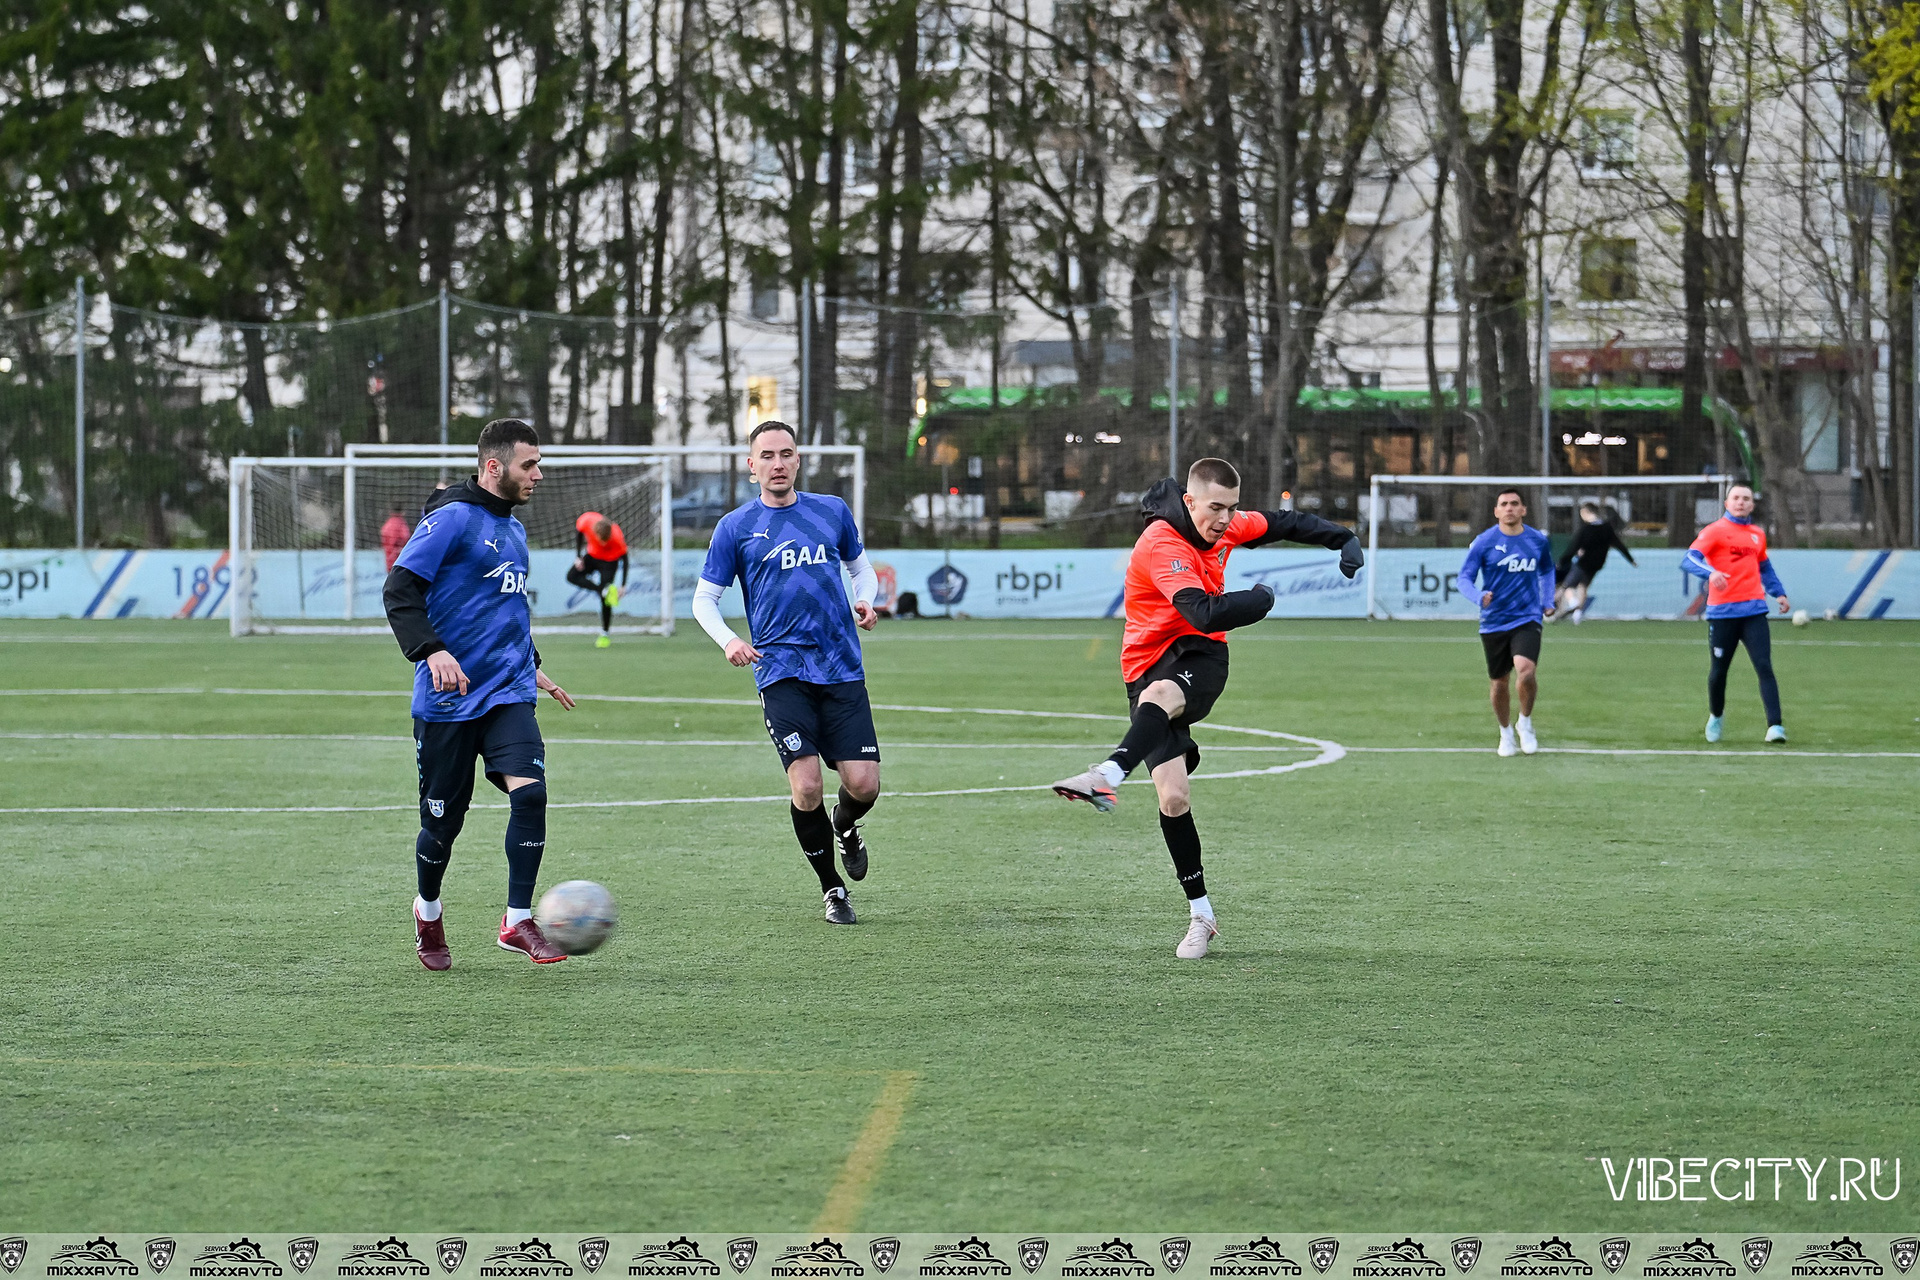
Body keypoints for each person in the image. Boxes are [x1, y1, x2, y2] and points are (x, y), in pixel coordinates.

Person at [1050, 458, 1364, 959]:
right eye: (1216, 508)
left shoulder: (1226, 523)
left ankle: (1106, 774)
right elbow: (1201, 609)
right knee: (1174, 798)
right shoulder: (1163, 543)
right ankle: (1202, 915)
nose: (1225, 519)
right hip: (1146, 666)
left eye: (1231, 508)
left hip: (1201, 657)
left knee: (1160, 697)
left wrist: (1341, 537)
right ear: (1189, 501)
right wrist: (1259, 600)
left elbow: (1281, 523)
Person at [383, 418, 579, 970]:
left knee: (531, 795)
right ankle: (427, 910)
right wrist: (431, 650)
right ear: (494, 466)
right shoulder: (451, 520)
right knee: (442, 826)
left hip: (507, 693)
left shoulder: (514, 529)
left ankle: (517, 920)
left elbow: (506, 610)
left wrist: (532, 666)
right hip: (448, 699)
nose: (538, 475)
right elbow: (400, 589)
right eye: (529, 465)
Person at [691, 420, 882, 925]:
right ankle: (832, 889)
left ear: (798, 460)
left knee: (864, 786)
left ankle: (846, 825)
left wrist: (865, 600)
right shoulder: (735, 526)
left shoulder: (831, 511)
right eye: (768, 455)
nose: (778, 463)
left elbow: (861, 569)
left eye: (787, 454)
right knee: (807, 787)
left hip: (840, 666)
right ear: (751, 466)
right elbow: (704, 599)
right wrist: (730, 640)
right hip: (779, 671)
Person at [1683, 482, 1790, 743]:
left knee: (1764, 666)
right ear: (1727, 503)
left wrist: (1779, 592)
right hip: (1722, 613)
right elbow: (1690, 559)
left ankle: (1775, 727)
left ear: (1752, 505)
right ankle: (1716, 715)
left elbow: (1764, 567)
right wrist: (1711, 573)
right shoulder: (1715, 531)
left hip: (1754, 611)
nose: (1741, 502)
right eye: (1736, 498)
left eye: (1746, 498)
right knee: (1719, 671)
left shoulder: (1757, 534)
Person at [1457, 489, 1556, 757]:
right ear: (1496, 511)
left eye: (1514, 503)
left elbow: (1547, 569)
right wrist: (1478, 596)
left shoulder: (1537, 540)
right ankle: (1506, 733)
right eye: (1504, 504)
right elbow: (1464, 578)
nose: (1509, 508)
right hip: (1494, 621)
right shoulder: (1484, 542)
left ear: (1523, 510)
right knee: (1499, 683)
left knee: (1526, 670)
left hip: (1527, 617)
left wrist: (1547, 600)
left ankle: (1525, 722)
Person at [1554, 502, 1635, 624]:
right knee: (1583, 586)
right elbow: (1618, 544)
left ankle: (1568, 605)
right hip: (1597, 564)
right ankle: (1577, 615)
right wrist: (1631, 559)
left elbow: (1574, 547)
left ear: (1585, 513)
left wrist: (1562, 561)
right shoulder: (1607, 528)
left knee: (1566, 586)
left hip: (1583, 563)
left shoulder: (1586, 529)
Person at [568, 511, 630, 648]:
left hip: (609, 561)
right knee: (571, 576)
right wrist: (578, 556)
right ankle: (602, 590)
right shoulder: (587, 521)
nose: (603, 543)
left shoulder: (617, 537)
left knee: (605, 599)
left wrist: (623, 585)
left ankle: (605, 633)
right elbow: (579, 533)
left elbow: (625, 559)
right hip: (593, 556)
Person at [380, 506, 412, 571]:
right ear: (402, 512)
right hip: (398, 552)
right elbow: (405, 535)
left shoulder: (388, 523)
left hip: (389, 551)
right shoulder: (401, 523)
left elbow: (383, 534)